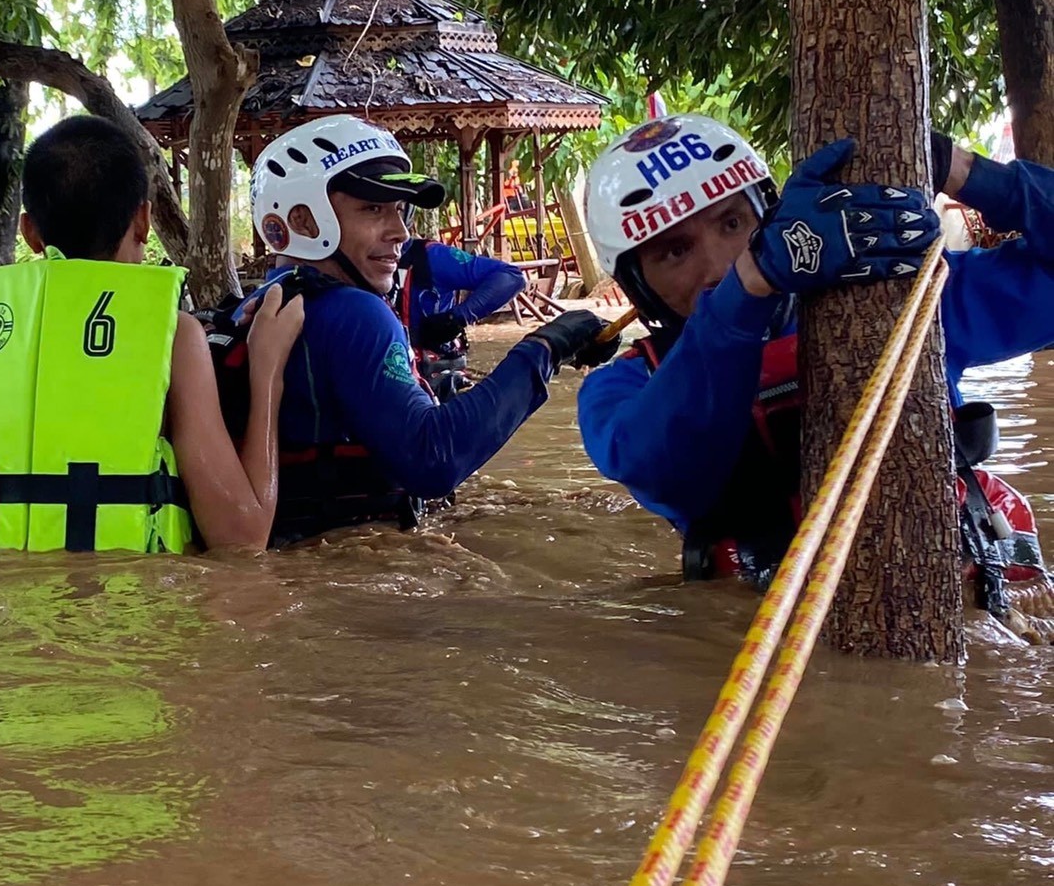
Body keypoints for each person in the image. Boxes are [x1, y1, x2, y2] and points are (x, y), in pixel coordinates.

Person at [577, 112, 1054, 608]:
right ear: (637, 285)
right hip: (775, 625)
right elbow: (666, 466)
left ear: (770, 213)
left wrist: (965, 172)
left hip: (988, 601)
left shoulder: (906, 299)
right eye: (674, 251)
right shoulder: (622, 390)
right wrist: (748, 289)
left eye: (734, 223)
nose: (717, 265)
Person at [0, 115, 305, 554]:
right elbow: (242, 538)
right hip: (124, 609)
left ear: (29, 232)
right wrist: (268, 369)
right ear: (143, 220)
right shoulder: (172, 334)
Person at [232, 113, 618, 545]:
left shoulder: (256, 306)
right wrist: (546, 348)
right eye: (373, 209)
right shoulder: (355, 312)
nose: (399, 232)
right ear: (303, 222)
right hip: (363, 570)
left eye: (400, 211)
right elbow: (433, 458)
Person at [395, 237, 526, 402]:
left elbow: (511, 277)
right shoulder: (355, 266)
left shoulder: (430, 256)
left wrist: (457, 318)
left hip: (429, 377)